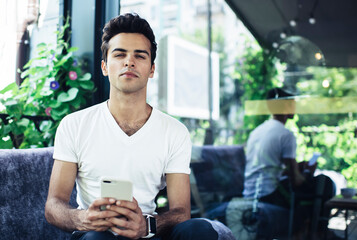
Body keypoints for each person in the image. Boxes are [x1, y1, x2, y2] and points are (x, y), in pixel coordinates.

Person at [45, 13, 234, 240]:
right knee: (99, 238)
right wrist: (82, 218)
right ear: (105, 67)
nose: (129, 62)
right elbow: (53, 205)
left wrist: (147, 226)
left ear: (151, 69)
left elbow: (181, 212)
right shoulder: (74, 125)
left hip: (147, 234)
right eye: (120, 54)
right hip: (96, 235)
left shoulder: (174, 132)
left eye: (139, 55)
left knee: (199, 229)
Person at [243, 88, 337, 238]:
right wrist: (308, 171)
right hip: (269, 195)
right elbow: (297, 181)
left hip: (251, 192)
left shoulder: (257, 131)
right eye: (293, 104)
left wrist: (298, 167)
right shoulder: (286, 135)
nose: (295, 107)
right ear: (285, 106)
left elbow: (268, 167)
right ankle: (318, 232)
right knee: (324, 183)